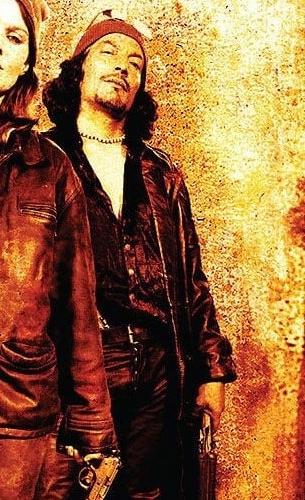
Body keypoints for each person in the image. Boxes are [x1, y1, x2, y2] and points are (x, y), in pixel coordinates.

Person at [39, 10, 237, 499]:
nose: (122, 67)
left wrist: (212, 370)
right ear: (78, 70)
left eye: (135, 62)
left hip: (157, 368)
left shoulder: (160, 173)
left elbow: (192, 277)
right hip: (74, 365)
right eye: (107, 52)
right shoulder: (38, 159)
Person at [0, 0, 117, 498]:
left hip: (16, 405)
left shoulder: (49, 167)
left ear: (27, 60)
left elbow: (78, 306)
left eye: (14, 37)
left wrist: (93, 427)